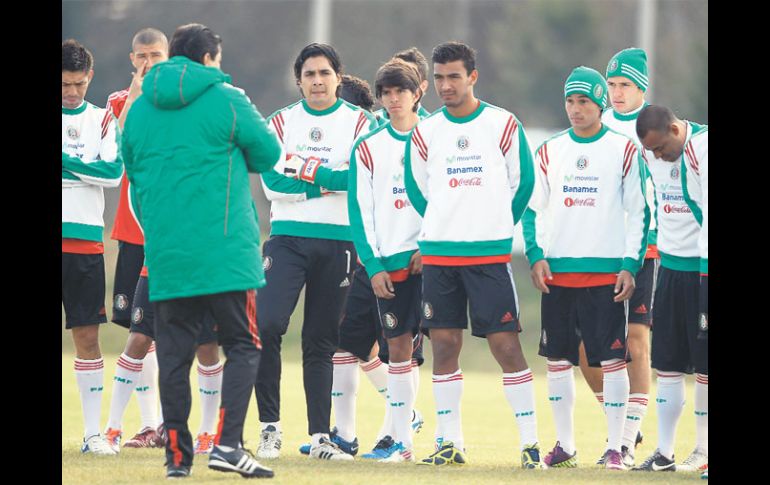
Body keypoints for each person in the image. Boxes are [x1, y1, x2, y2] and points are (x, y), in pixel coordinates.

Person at [121, 23, 279, 479]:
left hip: (168, 254)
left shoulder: (140, 110)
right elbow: (268, 154)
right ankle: (228, 445)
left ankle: (176, 458)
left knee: (172, 356)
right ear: (210, 58)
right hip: (226, 252)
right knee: (244, 346)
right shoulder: (228, 98)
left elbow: (133, 167)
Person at [405, 41, 541, 468]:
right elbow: (416, 187)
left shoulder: (502, 124)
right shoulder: (425, 131)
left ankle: (530, 445)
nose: (445, 85)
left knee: (505, 346)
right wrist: (443, 226)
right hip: (441, 256)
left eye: (454, 77)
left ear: (472, 77)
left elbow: (524, 184)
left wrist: (497, 227)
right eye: (440, 78)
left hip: (488, 255)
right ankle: (449, 442)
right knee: (443, 346)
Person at [101, 27, 223, 456]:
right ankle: (133, 425)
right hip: (139, 236)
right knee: (139, 332)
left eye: (157, 54)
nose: (148, 61)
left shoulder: (187, 102)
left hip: (191, 240)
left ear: (171, 57)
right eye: (142, 56)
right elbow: (120, 145)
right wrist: (137, 91)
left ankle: (204, 429)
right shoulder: (121, 100)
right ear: (131, 58)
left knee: (205, 340)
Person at [522, 66, 649, 471]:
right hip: (558, 274)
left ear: (599, 104)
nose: (576, 109)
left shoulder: (623, 149)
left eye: (584, 102)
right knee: (557, 361)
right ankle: (566, 445)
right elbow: (531, 209)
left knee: (612, 361)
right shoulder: (550, 150)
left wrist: (630, 264)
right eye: (570, 101)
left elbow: (639, 213)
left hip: (606, 273)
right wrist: (536, 254)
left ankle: (617, 447)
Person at [255, 42, 377, 461]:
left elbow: (359, 180)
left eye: (325, 73)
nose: (318, 81)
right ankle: (269, 428)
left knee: (320, 340)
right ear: (299, 80)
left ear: (338, 77)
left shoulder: (361, 121)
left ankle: (321, 437)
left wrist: (304, 170)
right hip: (287, 238)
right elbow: (272, 184)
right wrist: (325, 181)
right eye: (309, 74)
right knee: (267, 323)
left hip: (339, 240)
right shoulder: (281, 121)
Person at [339, 59, 426, 463]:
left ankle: (404, 440)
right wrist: (372, 266)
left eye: (400, 92)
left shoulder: (434, 139)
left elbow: (446, 199)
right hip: (383, 264)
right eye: (386, 93)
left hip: (425, 262)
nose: (393, 100)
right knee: (386, 346)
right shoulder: (368, 147)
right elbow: (361, 212)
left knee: (414, 348)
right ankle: (391, 439)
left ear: (416, 94)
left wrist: (429, 245)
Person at [581, 47, 655, 467]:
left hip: (648, 247)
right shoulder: (597, 123)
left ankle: (623, 443)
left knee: (636, 341)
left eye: (625, 84)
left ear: (642, 87)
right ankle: (627, 421)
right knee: (585, 349)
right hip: (597, 251)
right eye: (611, 84)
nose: (617, 92)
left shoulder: (655, 125)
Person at [632, 105, 708, 474]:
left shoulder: (704, 148)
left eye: (660, 148)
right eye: (651, 152)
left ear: (676, 130)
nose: (657, 156)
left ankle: (704, 449)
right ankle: (664, 453)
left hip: (701, 270)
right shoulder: (652, 158)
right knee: (668, 363)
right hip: (670, 269)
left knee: (706, 364)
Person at [62, 39, 124, 456]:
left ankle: (91, 434)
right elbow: (96, 170)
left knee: (87, 336)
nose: (71, 92)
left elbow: (114, 172)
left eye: (79, 84)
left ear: (91, 79)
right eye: (64, 84)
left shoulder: (103, 120)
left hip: (84, 241)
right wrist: (85, 168)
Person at [374, 47, 431, 123]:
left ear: (423, 86)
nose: (401, 79)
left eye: (411, 74)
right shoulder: (370, 123)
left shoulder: (432, 125)